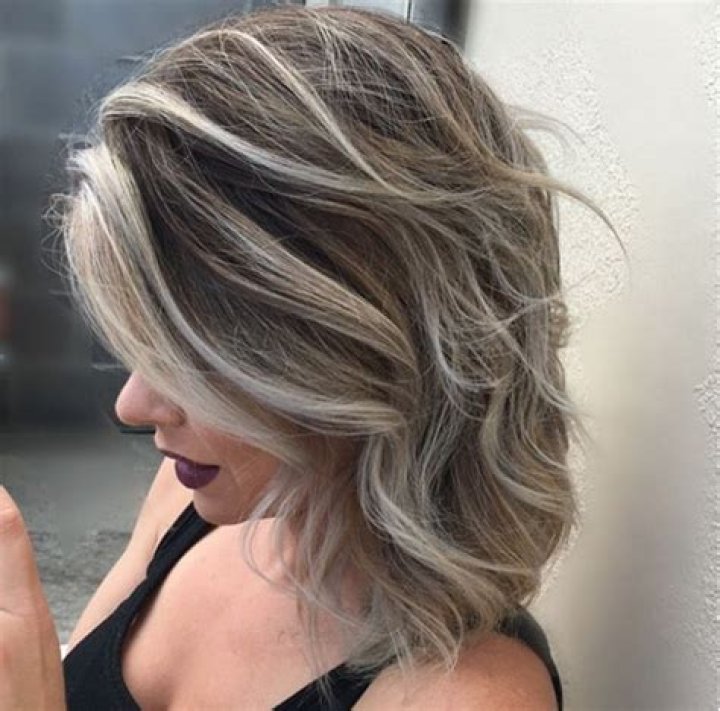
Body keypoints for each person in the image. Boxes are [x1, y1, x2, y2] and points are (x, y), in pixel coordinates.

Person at [2, 4, 620, 709]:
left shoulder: (464, 694)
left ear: (371, 350)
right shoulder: (192, 496)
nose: (133, 405)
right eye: (153, 345)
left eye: (201, 356)